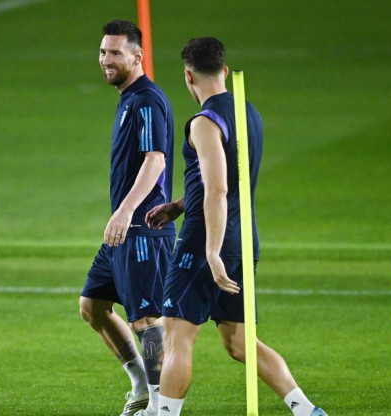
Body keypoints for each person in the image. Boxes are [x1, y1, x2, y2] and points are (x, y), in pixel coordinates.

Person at [145, 37, 328, 416]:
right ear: (224, 71)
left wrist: (210, 252)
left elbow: (218, 188)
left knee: (177, 336)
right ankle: (307, 410)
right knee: (240, 342)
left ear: (188, 76)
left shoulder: (204, 121)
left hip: (206, 240)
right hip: (244, 238)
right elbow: (230, 178)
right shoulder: (249, 113)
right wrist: (179, 205)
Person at [78, 20, 176, 416]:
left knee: (148, 320)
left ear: (138, 56)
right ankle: (139, 384)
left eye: (115, 53)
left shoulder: (147, 100)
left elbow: (156, 160)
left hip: (143, 230)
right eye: (103, 52)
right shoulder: (128, 99)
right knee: (93, 306)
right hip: (124, 232)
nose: (106, 60)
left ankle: (158, 406)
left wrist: (124, 210)